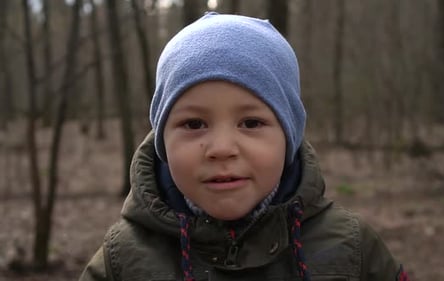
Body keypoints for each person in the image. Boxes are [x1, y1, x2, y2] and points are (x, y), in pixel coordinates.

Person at [79, 12, 409, 281]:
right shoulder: (121, 260)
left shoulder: (351, 249)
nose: (221, 149)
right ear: (163, 139)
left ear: (288, 136)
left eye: (251, 123)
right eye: (194, 124)